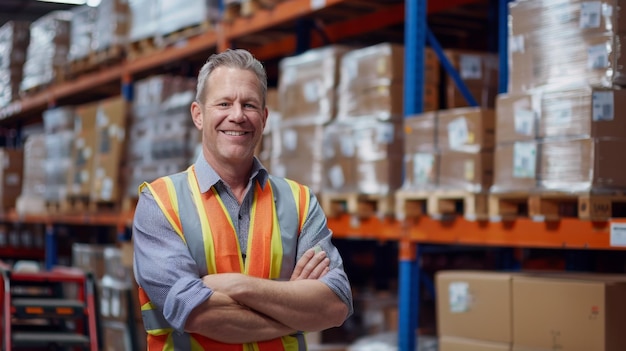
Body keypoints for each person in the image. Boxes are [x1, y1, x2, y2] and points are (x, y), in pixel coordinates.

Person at [133, 48, 354, 350]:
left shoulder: (299, 201)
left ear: (263, 118)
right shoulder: (160, 203)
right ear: (198, 115)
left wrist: (237, 285)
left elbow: (335, 306)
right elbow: (197, 312)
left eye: (249, 105)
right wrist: (295, 308)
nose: (237, 116)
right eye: (224, 103)